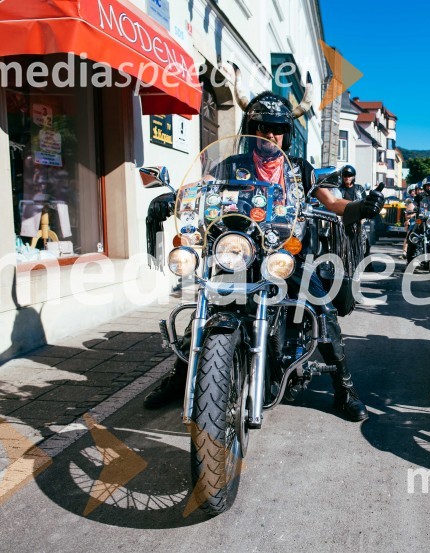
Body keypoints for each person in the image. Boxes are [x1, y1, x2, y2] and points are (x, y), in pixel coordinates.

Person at [144, 91, 385, 422]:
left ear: (286, 133)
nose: (270, 134)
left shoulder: (299, 168)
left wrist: (359, 207)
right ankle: (177, 379)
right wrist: (173, 197)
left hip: (287, 257)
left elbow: (332, 202)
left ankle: (344, 388)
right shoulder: (232, 165)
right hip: (241, 253)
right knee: (209, 304)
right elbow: (201, 187)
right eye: (263, 126)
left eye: (277, 128)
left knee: (324, 310)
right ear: (252, 128)